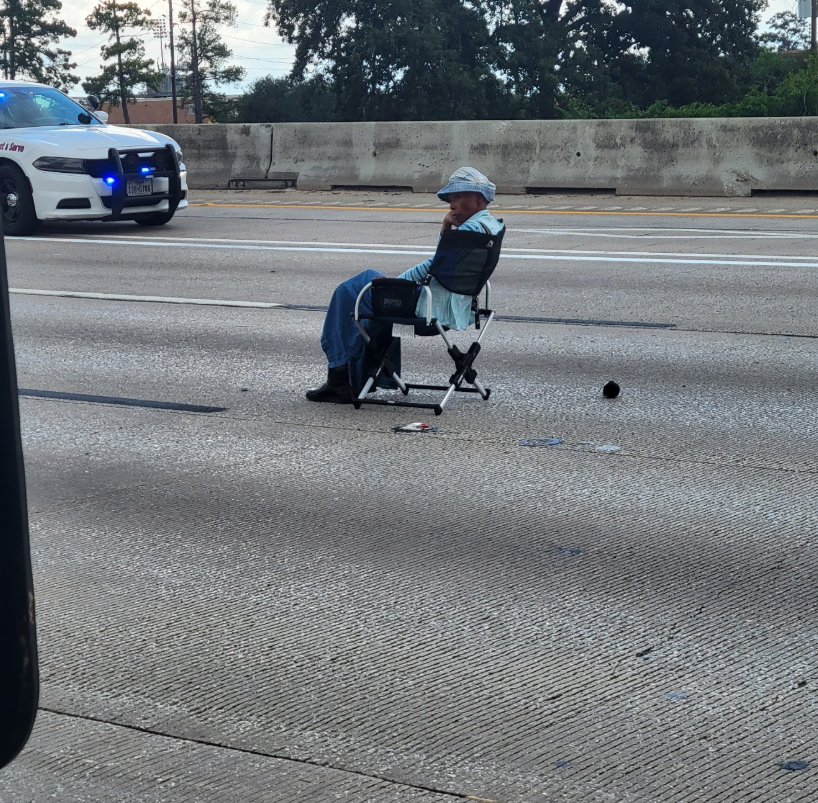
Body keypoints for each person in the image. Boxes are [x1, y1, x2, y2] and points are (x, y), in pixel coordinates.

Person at [306, 166, 503, 404]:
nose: (452, 204)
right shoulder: (491, 227)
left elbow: (434, 266)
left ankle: (338, 378)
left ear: (479, 199)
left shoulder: (469, 232)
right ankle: (360, 377)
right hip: (458, 305)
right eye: (451, 199)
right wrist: (446, 229)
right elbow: (446, 264)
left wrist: (396, 282)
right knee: (369, 290)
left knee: (353, 291)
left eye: (459, 197)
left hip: (430, 308)